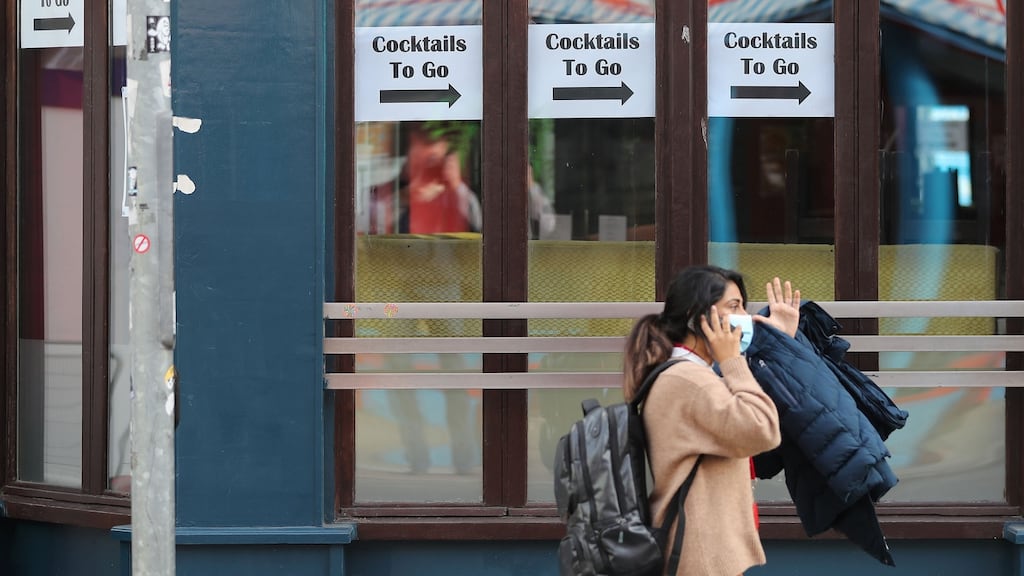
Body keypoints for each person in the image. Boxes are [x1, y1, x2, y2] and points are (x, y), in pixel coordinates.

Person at [622, 266, 800, 576]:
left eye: (744, 306)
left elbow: (746, 407)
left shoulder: (691, 375)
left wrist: (778, 343)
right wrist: (732, 359)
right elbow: (762, 429)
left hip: (700, 546)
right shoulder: (688, 380)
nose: (745, 317)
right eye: (734, 307)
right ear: (696, 316)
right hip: (700, 555)